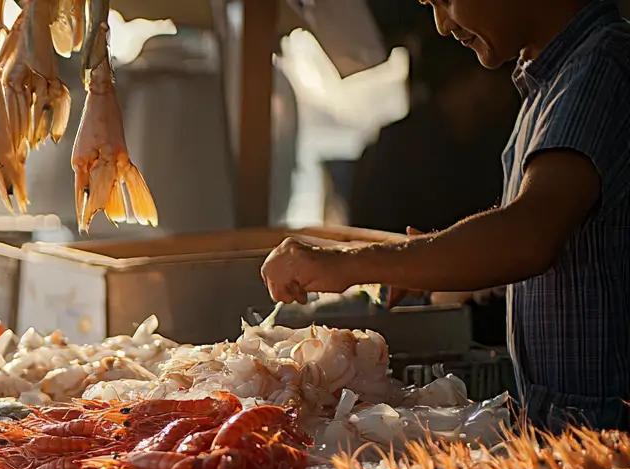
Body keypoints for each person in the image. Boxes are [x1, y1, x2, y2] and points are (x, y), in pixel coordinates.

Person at [260, 0, 630, 431]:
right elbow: (572, 241)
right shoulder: (550, 84)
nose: (441, 24)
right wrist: (428, 261)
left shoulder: (602, 68)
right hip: (566, 436)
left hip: (611, 441)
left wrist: (349, 263)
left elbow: (527, 236)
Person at [347, 30, 520, 344]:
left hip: (493, 328)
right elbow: (369, 238)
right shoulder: (397, 148)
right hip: (407, 323)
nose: (509, 90)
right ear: (470, 77)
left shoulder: (495, 141)